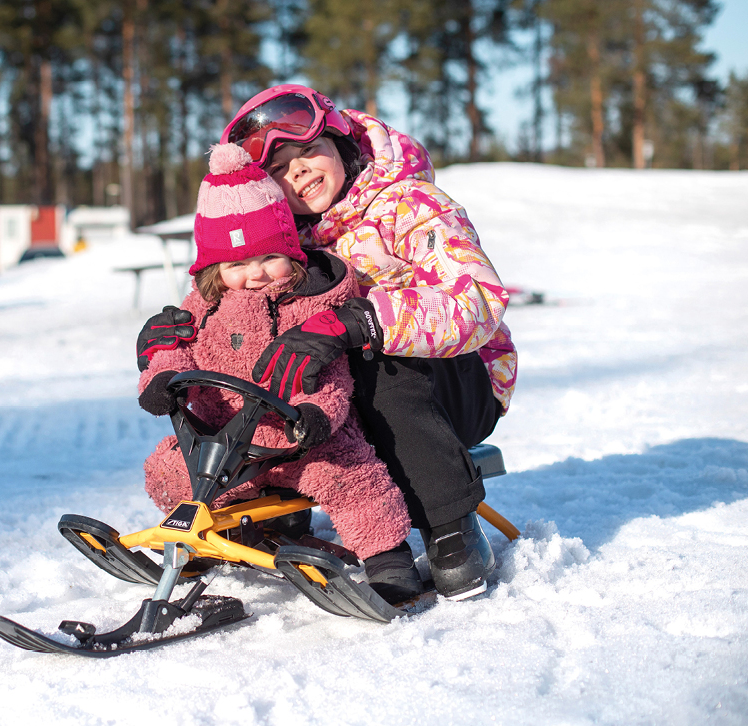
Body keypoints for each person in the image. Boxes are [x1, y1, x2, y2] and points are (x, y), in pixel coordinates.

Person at [137, 85, 517, 601]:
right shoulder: (280, 231)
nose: (298, 172)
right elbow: (225, 293)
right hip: (343, 396)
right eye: (279, 168)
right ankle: (264, 513)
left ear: (342, 144)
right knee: (257, 350)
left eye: (308, 151)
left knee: (373, 360)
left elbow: (477, 303)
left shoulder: (409, 205)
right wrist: (179, 330)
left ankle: (450, 526)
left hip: (454, 386)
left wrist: (357, 321)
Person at [136, 142, 423, 605]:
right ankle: (208, 540)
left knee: (351, 478)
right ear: (214, 269)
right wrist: (160, 380)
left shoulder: (311, 304)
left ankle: (386, 556)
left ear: (291, 250)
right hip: (224, 446)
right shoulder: (203, 308)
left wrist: (314, 414)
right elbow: (175, 349)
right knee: (169, 470)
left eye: (268, 258)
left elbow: (331, 377)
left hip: (303, 438)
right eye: (236, 265)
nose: (256, 275)